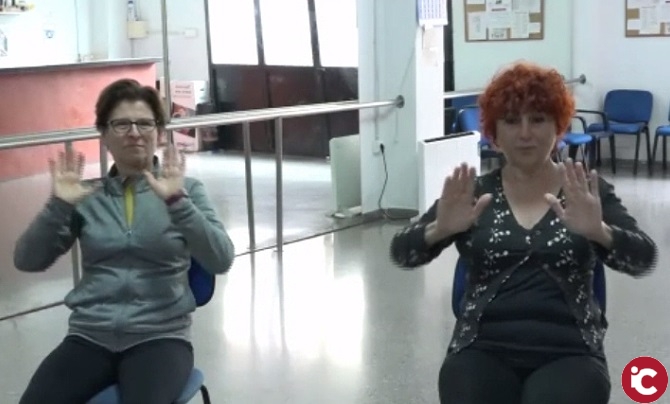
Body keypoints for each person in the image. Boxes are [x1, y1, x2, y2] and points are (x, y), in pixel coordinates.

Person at [389, 62, 657, 404]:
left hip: (570, 351)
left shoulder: (586, 191)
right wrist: (438, 230)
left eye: (538, 119)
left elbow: (643, 258)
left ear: (558, 126)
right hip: (481, 348)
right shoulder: (473, 192)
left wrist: (600, 232)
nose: (525, 133)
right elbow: (401, 253)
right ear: (495, 133)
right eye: (512, 121)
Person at [14, 78, 236, 404]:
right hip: (90, 336)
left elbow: (221, 258)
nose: (134, 132)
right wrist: (58, 205)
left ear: (159, 132)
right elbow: (27, 260)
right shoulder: (87, 196)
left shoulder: (187, 190)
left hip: (161, 338)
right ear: (103, 135)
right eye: (121, 124)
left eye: (144, 123)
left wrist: (177, 203)